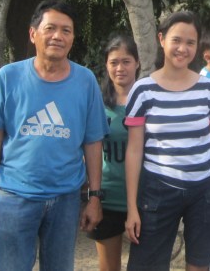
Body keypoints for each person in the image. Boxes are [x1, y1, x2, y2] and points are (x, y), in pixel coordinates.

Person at [0, 0, 108, 271]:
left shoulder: (85, 82)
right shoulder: (8, 78)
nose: (58, 36)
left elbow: (93, 143)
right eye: (50, 28)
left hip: (66, 198)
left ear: (72, 38)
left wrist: (95, 197)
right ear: (33, 33)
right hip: (14, 196)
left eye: (66, 30)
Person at [124, 11, 210, 271]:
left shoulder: (208, 89)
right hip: (158, 189)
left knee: (200, 264)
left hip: (207, 189)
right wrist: (132, 208)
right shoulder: (142, 90)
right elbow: (134, 150)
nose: (182, 49)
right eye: (176, 40)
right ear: (161, 39)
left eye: (190, 42)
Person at [87, 35, 141, 271]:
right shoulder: (96, 104)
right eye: (114, 62)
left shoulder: (149, 101)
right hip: (107, 198)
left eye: (126, 61)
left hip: (143, 199)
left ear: (137, 63)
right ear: (106, 65)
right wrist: (92, 196)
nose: (120, 68)